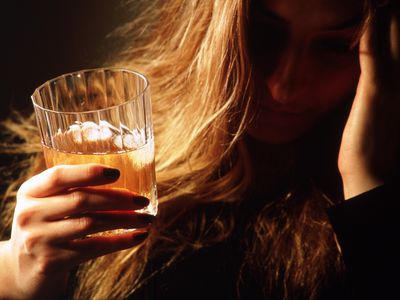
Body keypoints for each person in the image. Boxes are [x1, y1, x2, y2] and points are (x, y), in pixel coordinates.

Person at [1, 0, 399, 299]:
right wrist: (20, 276)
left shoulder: (379, 186)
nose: (285, 86)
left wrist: (367, 181)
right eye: (262, 35)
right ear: (210, 33)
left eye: (336, 46)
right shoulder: (99, 135)